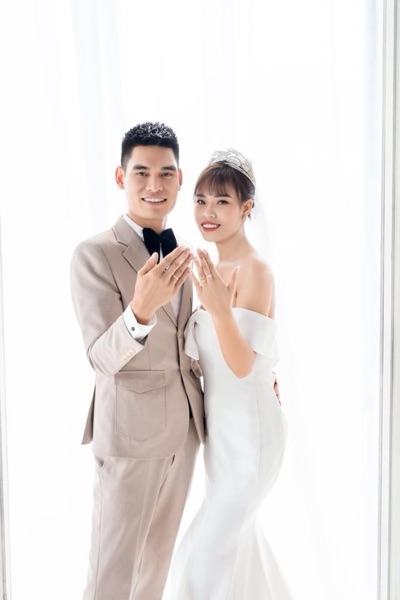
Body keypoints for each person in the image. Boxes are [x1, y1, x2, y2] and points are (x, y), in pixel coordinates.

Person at [70, 121, 205, 600]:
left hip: (184, 433)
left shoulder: (184, 254)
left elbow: (191, 341)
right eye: (141, 172)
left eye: (166, 173)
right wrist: (140, 310)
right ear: (120, 177)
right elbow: (101, 357)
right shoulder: (94, 254)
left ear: (180, 179)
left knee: (154, 572)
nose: (154, 185)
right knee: (112, 574)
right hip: (129, 436)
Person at [170, 149, 292, 599]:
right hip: (221, 438)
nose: (209, 212)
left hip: (251, 435)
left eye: (222, 202)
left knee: (205, 558)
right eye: (201, 200)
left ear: (246, 208)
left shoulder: (255, 271)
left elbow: (241, 366)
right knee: (235, 551)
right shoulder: (208, 269)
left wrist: (219, 309)